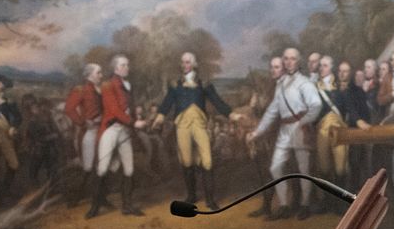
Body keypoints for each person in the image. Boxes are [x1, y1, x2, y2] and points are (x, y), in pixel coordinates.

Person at [249, 46, 322, 219]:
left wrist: (303, 123)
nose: (289, 62)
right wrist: (257, 132)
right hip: (284, 130)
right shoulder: (280, 85)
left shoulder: (304, 83)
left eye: (293, 59)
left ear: (298, 62)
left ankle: (304, 205)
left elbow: (316, 106)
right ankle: (283, 206)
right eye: (286, 59)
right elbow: (272, 111)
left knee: (303, 170)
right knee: (276, 167)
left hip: (300, 128)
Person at [158, 51, 234, 210]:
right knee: (186, 160)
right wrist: (160, 115)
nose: (184, 65)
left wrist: (230, 113)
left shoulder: (204, 84)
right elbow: (167, 103)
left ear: (194, 64)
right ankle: (191, 196)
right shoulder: (175, 84)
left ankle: (210, 200)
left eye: (187, 62)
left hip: (200, 124)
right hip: (182, 125)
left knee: (207, 160)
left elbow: (217, 101)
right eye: (182, 62)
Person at [88, 54, 145, 218]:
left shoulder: (128, 85)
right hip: (111, 129)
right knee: (103, 167)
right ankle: (95, 206)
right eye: (123, 65)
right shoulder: (108, 84)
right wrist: (133, 122)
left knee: (129, 168)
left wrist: (135, 119)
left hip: (125, 131)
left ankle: (127, 206)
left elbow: (130, 107)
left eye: (127, 65)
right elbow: (113, 110)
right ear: (115, 68)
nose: (127, 67)